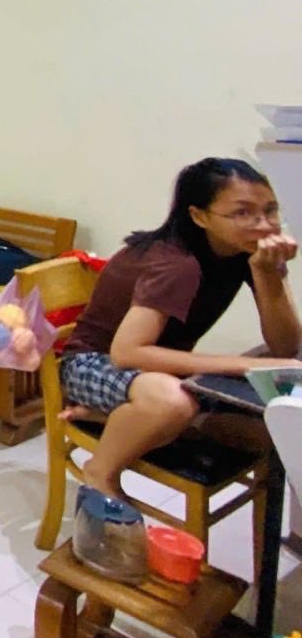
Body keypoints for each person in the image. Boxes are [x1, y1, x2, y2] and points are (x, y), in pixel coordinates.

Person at [61, 157, 299, 499]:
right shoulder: (177, 264)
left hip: (156, 371)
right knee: (173, 404)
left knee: (273, 431)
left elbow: (286, 347)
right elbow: (126, 353)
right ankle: (101, 471)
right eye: (243, 213)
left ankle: (114, 418)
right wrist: (245, 364)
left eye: (271, 210)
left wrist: (268, 274)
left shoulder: (245, 253)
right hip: (90, 363)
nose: (264, 225)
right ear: (199, 216)